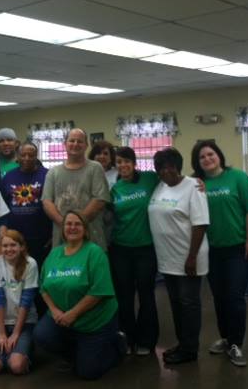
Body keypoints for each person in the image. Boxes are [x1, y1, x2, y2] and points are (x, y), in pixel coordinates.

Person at [191, 140, 248, 367]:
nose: (207, 159)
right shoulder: (196, 184)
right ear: (197, 162)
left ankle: (236, 343)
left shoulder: (237, 177)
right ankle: (225, 338)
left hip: (237, 248)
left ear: (219, 155)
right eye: (202, 157)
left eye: (210, 154)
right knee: (219, 297)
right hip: (211, 250)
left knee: (234, 297)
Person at [34, 210, 125, 380]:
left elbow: (98, 291)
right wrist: (54, 311)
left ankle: (117, 345)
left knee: (88, 372)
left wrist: (73, 314)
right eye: (68, 224)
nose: (72, 227)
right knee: (42, 336)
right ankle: (79, 354)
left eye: (77, 224)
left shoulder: (95, 253)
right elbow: (43, 287)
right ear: (63, 229)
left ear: (85, 229)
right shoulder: (54, 254)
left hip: (94, 321)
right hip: (62, 317)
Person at [149, 148, 209, 364]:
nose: (166, 171)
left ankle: (190, 350)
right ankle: (182, 344)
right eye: (161, 168)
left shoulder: (194, 187)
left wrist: (191, 257)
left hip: (188, 257)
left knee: (189, 304)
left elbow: (200, 224)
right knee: (175, 303)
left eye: (170, 167)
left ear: (178, 167)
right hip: (167, 259)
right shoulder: (159, 186)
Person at [109, 147, 159, 356]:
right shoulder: (115, 189)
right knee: (125, 296)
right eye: (119, 162)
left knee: (146, 294)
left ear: (134, 162)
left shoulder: (149, 179)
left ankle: (147, 340)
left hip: (146, 248)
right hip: (121, 249)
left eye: (127, 161)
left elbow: (175, 180)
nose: (123, 165)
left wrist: (197, 182)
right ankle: (128, 338)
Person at [42, 128, 110, 250]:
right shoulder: (53, 172)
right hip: (62, 239)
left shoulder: (95, 168)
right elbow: (47, 202)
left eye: (80, 141)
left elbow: (99, 200)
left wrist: (76, 225)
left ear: (86, 145)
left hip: (91, 237)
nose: (75, 144)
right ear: (65, 144)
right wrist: (65, 225)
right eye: (72, 140)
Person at [0, 231, 39, 375]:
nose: (9, 249)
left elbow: (26, 301)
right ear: (0, 248)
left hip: (25, 323)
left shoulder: (30, 263)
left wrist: (15, 333)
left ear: (21, 246)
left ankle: (24, 353)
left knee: (16, 366)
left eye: (13, 245)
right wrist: (2, 333)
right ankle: (10, 353)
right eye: (5, 246)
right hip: (0, 323)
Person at [0, 142, 51, 271]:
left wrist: (53, 234)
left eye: (31, 155)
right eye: (23, 155)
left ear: (36, 156)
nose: (27, 158)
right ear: (18, 156)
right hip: (15, 237)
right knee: (17, 271)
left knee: (40, 270)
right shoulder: (8, 177)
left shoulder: (48, 175)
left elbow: (54, 204)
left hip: (42, 236)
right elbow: (2, 208)